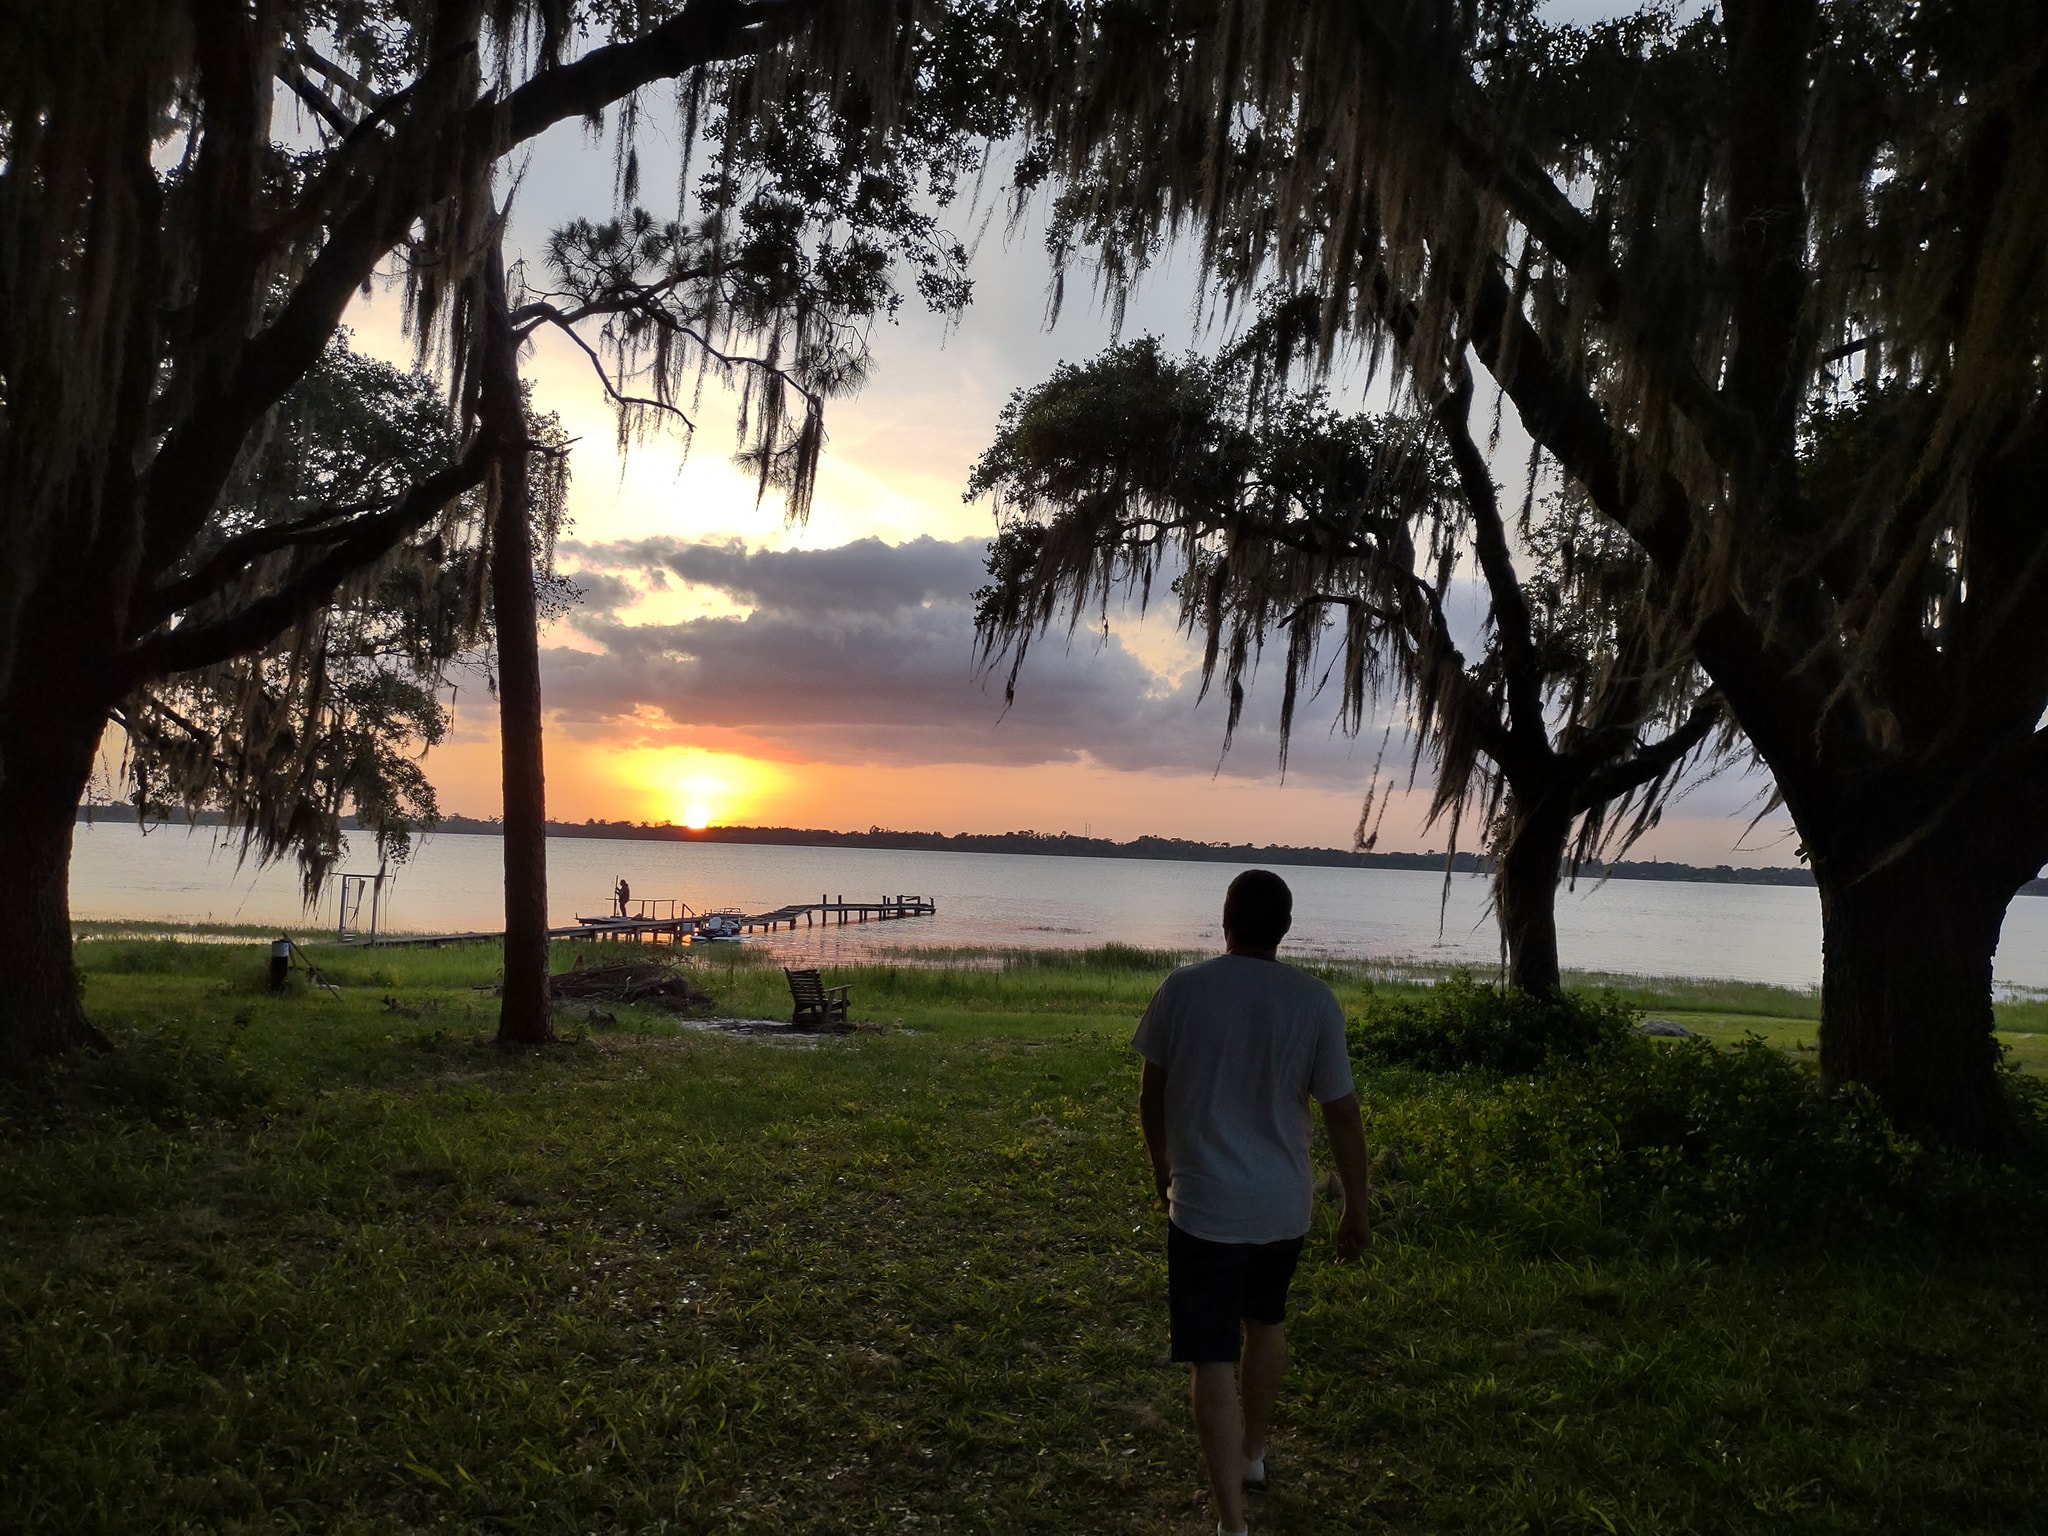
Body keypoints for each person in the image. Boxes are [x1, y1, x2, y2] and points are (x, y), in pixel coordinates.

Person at [1133, 869, 1372, 1536]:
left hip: (1204, 1204)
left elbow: (1151, 1095)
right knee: (1266, 1322)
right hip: (1282, 1204)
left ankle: (1231, 1522)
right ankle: (1254, 1452)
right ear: (1287, 928)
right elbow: (1343, 1115)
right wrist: (1357, 1203)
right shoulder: (1315, 1001)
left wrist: (1161, 1164)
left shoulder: (1183, 989)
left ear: (1225, 920)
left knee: (1212, 1355)